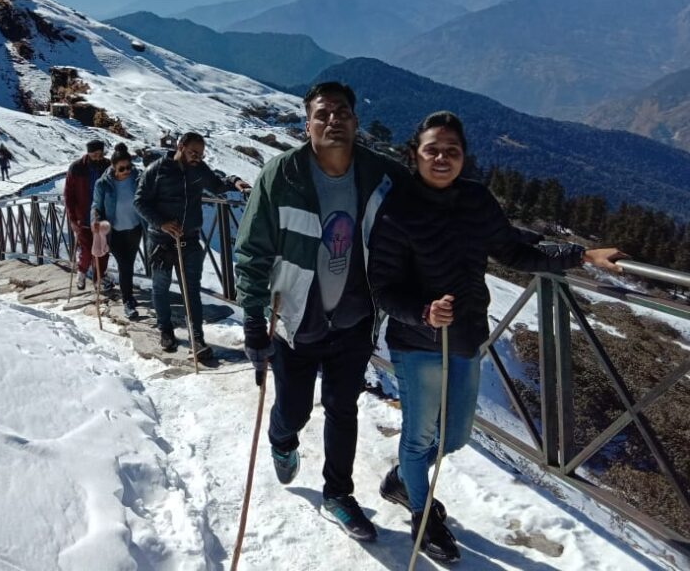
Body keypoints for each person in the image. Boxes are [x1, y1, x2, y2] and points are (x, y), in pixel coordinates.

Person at [368, 110, 625, 563]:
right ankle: (422, 518)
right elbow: (383, 286)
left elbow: (513, 250)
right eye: (432, 150)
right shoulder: (398, 209)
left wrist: (581, 256)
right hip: (417, 344)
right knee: (419, 437)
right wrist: (424, 312)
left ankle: (404, 480)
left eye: (452, 150)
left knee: (454, 437)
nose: (442, 158)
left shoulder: (476, 200)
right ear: (415, 155)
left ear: (464, 156)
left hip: (466, 337)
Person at [234, 80, 408, 544]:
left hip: (355, 320)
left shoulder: (380, 174)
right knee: (294, 410)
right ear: (307, 124)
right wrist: (252, 318)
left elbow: (433, 205)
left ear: (355, 120)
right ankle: (281, 438)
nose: (334, 121)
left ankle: (338, 493)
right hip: (296, 320)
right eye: (323, 114)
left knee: (342, 408)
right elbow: (252, 250)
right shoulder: (282, 175)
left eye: (342, 112)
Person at [135, 131, 250, 358]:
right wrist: (162, 223)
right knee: (161, 287)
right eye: (193, 153)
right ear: (180, 147)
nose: (197, 157)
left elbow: (217, 185)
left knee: (192, 290)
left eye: (201, 154)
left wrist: (236, 181)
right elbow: (139, 201)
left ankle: (197, 338)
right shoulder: (157, 170)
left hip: (189, 239)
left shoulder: (199, 169)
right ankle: (165, 330)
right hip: (161, 240)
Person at [92, 146, 144, 319]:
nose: (126, 171)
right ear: (113, 167)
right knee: (125, 265)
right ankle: (127, 301)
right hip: (114, 232)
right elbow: (96, 206)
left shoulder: (137, 179)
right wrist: (96, 219)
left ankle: (128, 296)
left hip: (135, 228)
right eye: (122, 169)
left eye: (128, 167)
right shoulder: (103, 184)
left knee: (129, 263)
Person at [64, 139, 110, 291]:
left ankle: (99, 278)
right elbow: (68, 195)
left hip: (102, 216)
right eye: (94, 154)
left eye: (100, 154)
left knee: (102, 249)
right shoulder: (77, 168)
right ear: (88, 153)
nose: (98, 157)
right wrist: (72, 219)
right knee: (86, 249)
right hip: (82, 217)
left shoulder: (107, 165)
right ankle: (82, 272)